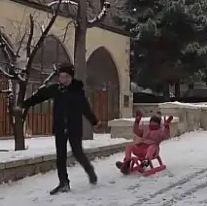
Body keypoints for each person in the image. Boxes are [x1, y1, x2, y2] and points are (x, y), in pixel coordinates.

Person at [21, 63, 98, 195]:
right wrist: (24, 104)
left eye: (66, 77)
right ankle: (64, 183)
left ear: (71, 77)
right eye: (61, 77)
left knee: (77, 152)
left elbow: (85, 108)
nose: (63, 80)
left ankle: (90, 171)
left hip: (74, 127)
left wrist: (93, 120)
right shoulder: (55, 89)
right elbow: (39, 97)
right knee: (60, 157)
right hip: (60, 127)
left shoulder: (77, 91)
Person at [115, 110, 172, 174]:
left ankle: (146, 162)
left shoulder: (159, 132)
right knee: (129, 146)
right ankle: (126, 163)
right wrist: (137, 121)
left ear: (158, 125)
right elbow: (136, 131)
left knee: (152, 147)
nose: (153, 124)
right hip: (141, 148)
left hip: (152, 151)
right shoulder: (146, 130)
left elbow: (165, 135)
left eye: (155, 123)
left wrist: (166, 126)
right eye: (152, 123)